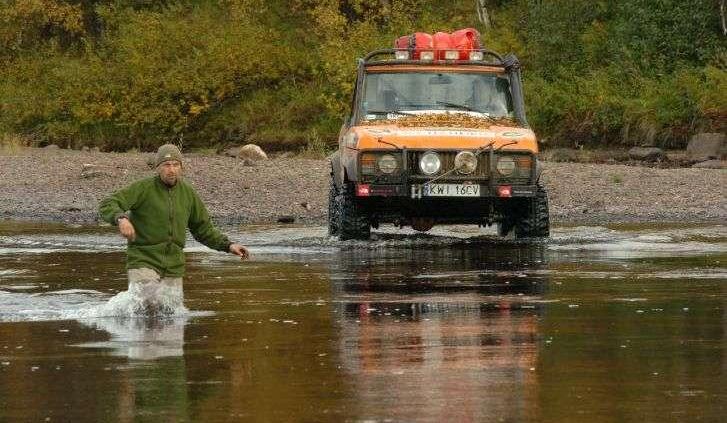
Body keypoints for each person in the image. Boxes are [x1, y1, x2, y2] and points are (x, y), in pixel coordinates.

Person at [99, 144, 249, 315]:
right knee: (148, 304)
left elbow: (203, 229)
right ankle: (121, 322)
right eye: (166, 165)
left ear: (181, 167)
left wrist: (228, 245)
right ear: (158, 168)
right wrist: (121, 219)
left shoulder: (188, 194)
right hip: (143, 259)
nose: (171, 170)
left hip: (174, 266)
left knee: (170, 315)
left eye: (175, 165)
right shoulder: (143, 188)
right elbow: (108, 203)